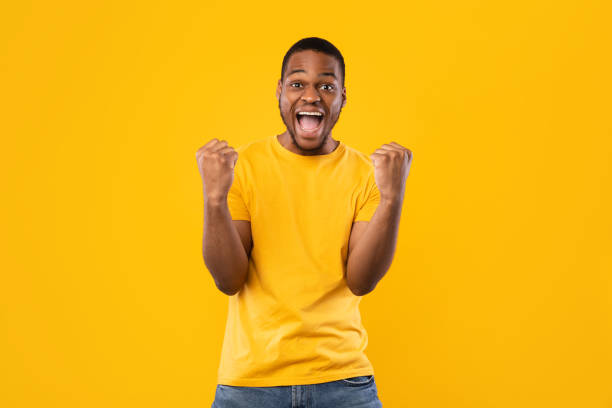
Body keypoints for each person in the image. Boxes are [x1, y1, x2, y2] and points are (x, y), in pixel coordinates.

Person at [196, 37, 412, 408]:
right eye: (298, 83)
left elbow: (362, 281)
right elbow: (228, 280)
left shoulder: (367, 174)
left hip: (343, 381)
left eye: (326, 86)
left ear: (343, 97)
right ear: (280, 91)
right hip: (250, 384)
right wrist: (214, 199)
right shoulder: (241, 166)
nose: (311, 96)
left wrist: (392, 198)